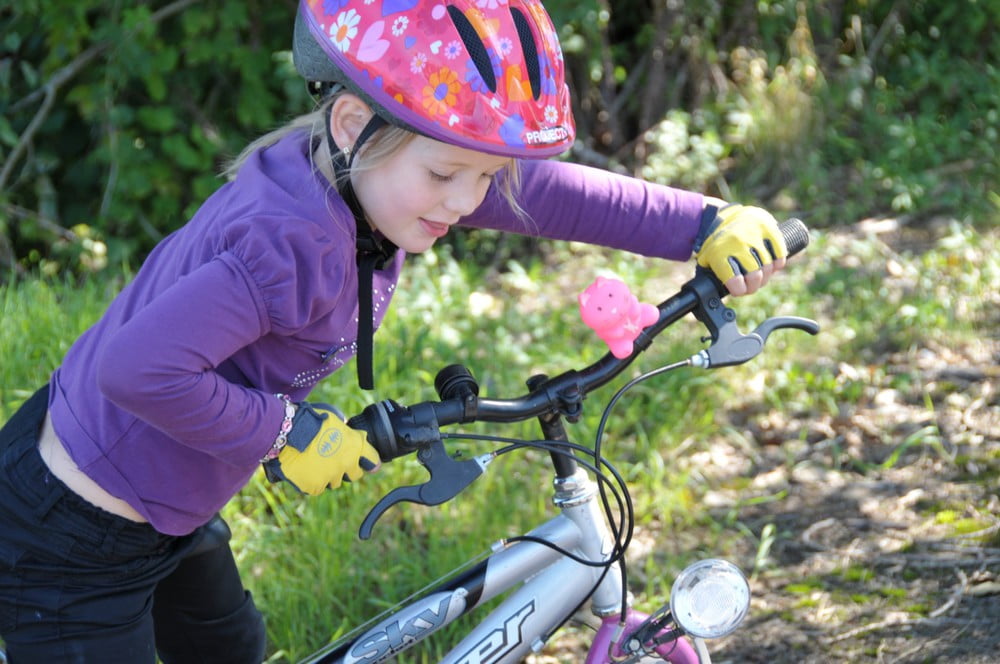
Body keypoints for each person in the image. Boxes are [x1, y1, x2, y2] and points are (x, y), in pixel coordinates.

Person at [0, 1, 788, 661]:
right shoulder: (291, 241)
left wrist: (704, 223)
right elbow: (138, 369)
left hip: (164, 507)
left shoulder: (378, 174)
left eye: (484, 177)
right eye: (447, 176)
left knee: (233, 650)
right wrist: (284, 432)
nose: (466, 201)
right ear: (352, 123)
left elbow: (554, 195)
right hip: (74, 538)